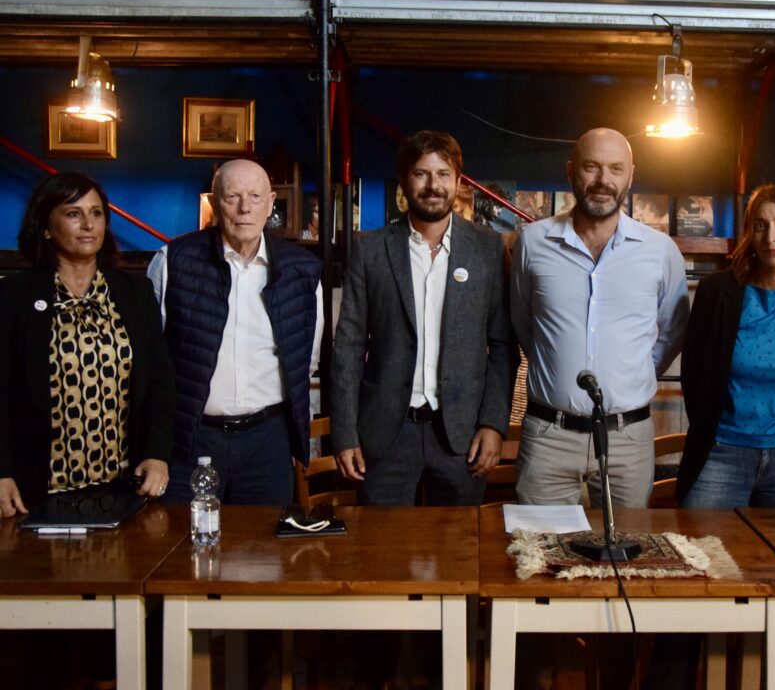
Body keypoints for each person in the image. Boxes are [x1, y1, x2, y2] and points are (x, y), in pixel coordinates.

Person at [330, 130, 516, 505]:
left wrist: (493, 424)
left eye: (443, 174)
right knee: (382, 538)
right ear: (404, 181)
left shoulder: (487, 249)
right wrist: (345, 433)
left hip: (463, 434)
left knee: (459, 539)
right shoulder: (370, 251)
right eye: (421, 174)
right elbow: (348, 348)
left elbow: (503, 345)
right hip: (385, 433)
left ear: (458, 182)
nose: (433, 186)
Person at [511, 127, 689, 508]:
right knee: (539, 542)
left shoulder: (660, 251)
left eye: (615, 168)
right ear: (571, 171)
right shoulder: (532, 242)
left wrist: (632, 373)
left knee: (627, 542)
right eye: (591, 167)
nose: (603, 180)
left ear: (631, 176)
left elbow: (672, 332)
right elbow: (524, 323)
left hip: (628, 437)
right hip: (549, 436)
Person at [148, 159, 324, 506]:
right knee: (186, 536)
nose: (245, 208)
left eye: (255, 197)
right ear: (215, 203)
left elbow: (307, 361)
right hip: (192, 439)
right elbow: (151, 362)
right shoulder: (172, 262)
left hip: (268, 442)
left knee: (263, 540)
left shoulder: (302, 270)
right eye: (232, 197)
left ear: (271, 204)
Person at [0, 171, 173, 517]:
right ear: (45, 226)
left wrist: (158, 454)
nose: (88, 224)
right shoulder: (13, 296)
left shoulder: (135, 293)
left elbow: (159, 381)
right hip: (36, 492)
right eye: (73, 213)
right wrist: (1, 471)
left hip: (124, 487)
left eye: (96, 213)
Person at [677, 183, 775, 509]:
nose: (771, 237)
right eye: (760, 225)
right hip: (721, 451)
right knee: (700, 541)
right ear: (750, 232)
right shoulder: (716, 292)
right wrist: (712, 430)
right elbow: (692, 374)